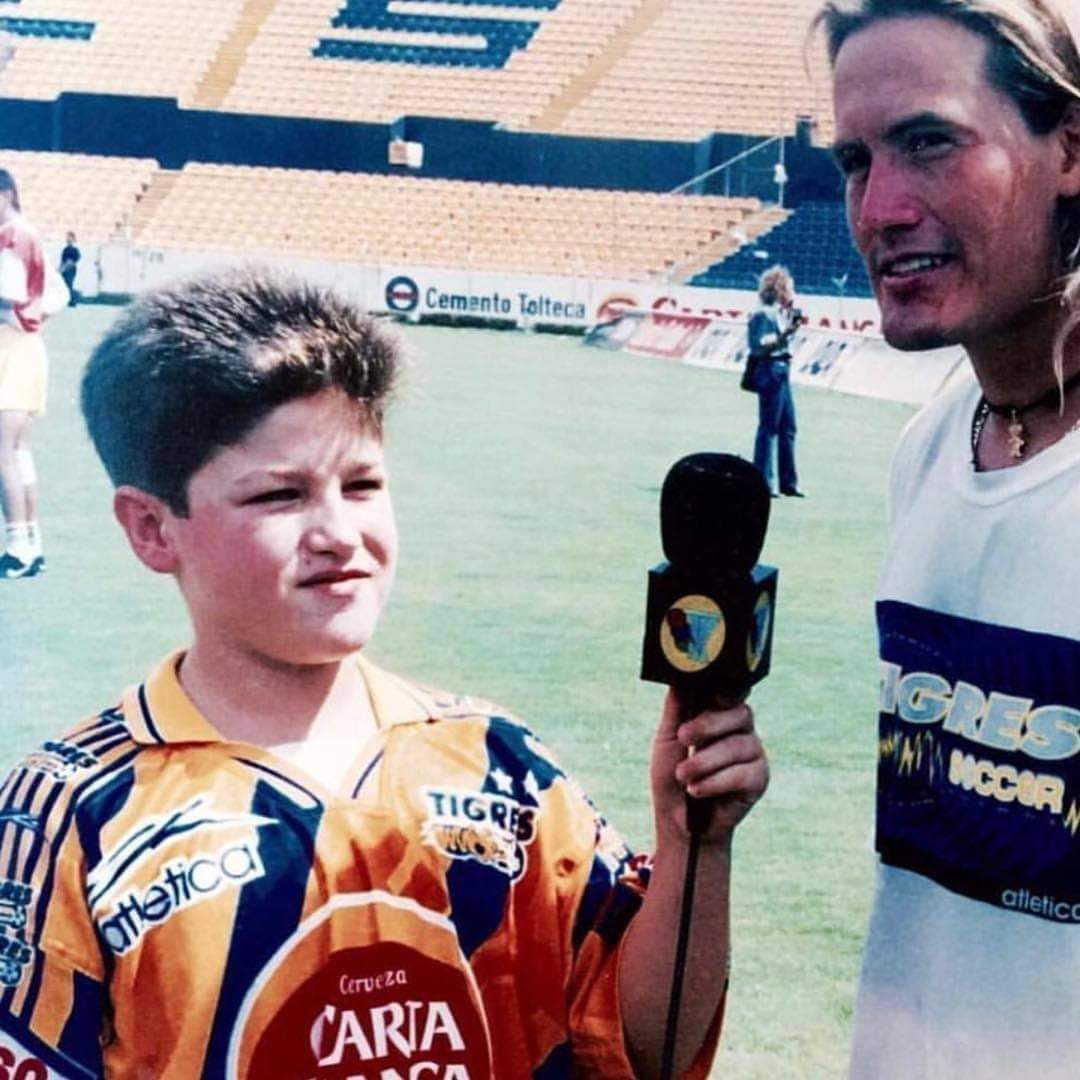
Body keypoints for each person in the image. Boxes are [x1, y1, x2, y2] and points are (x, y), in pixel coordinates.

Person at [0, 267, 768, 1078]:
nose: (338, 532)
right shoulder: (68, 819)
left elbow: (644, 1052)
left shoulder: (501, 766)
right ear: (153, 528)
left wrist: (693, 850)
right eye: (279, 496)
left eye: (362, 485)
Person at [815, 1, 1080, 1075]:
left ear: (1070, 149)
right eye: (852, 161)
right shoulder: (932, 445)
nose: (879, 207)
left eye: (931, 141)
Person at [0, 167, 48, 579]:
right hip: (26, 346)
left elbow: (10, 293)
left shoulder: (12, 235)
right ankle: (30, 543)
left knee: (4, 452)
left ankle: (18, 546)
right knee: (17, 452)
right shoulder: (28, 233)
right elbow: (56, 296)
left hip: (10, 347)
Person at [747, 265, 805, 497]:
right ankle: (763, 480)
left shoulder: (778, 313)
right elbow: (760, 344)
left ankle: (788, 483)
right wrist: (785, 335)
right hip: (771, 370)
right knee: (769, 427)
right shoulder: (765, 314)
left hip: (781, 370)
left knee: (788, 427)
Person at [58, 231, 80, 307]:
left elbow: (72, 261)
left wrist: (64, 268)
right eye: (67, 237)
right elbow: (62, 260)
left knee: (69, 284)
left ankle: (72, 301)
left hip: (70, 269)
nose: (67, 239)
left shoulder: (74, 249)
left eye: (69, 237)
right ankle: (67, 300)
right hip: (64, 269)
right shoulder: (65, 249)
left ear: (73, 239)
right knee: (65, 285)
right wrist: (59, 268)